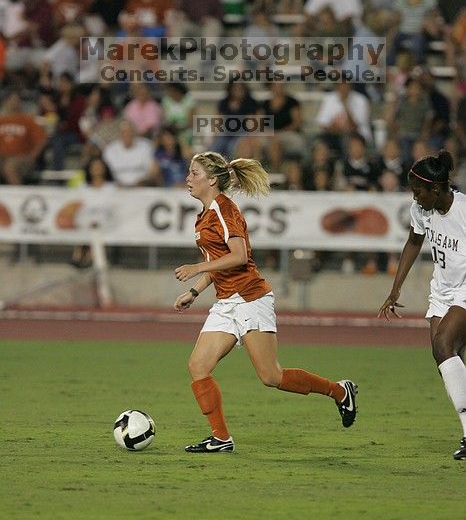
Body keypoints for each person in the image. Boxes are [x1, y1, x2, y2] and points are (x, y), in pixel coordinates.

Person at [173, 151, 358, 453]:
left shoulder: (224, 210)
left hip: (249, 297)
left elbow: (239, 256)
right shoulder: (205, 215)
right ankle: (221, 438)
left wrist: (196, 268)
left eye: (194, 173)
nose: (188, 179)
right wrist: (194, 291)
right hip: (226, 301)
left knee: (271, 376)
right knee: (197, 365)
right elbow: (218, 261)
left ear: (212, 180)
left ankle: (339, 391)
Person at [378, 150, 466, 460]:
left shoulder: (464, 211)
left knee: (444, 345)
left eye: (419, 192)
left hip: (465, 290)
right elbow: (414, 241)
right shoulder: (422, 210)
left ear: (437, 188)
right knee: (445, 360)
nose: (415, 198)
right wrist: (395, 288)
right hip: (441, 291)